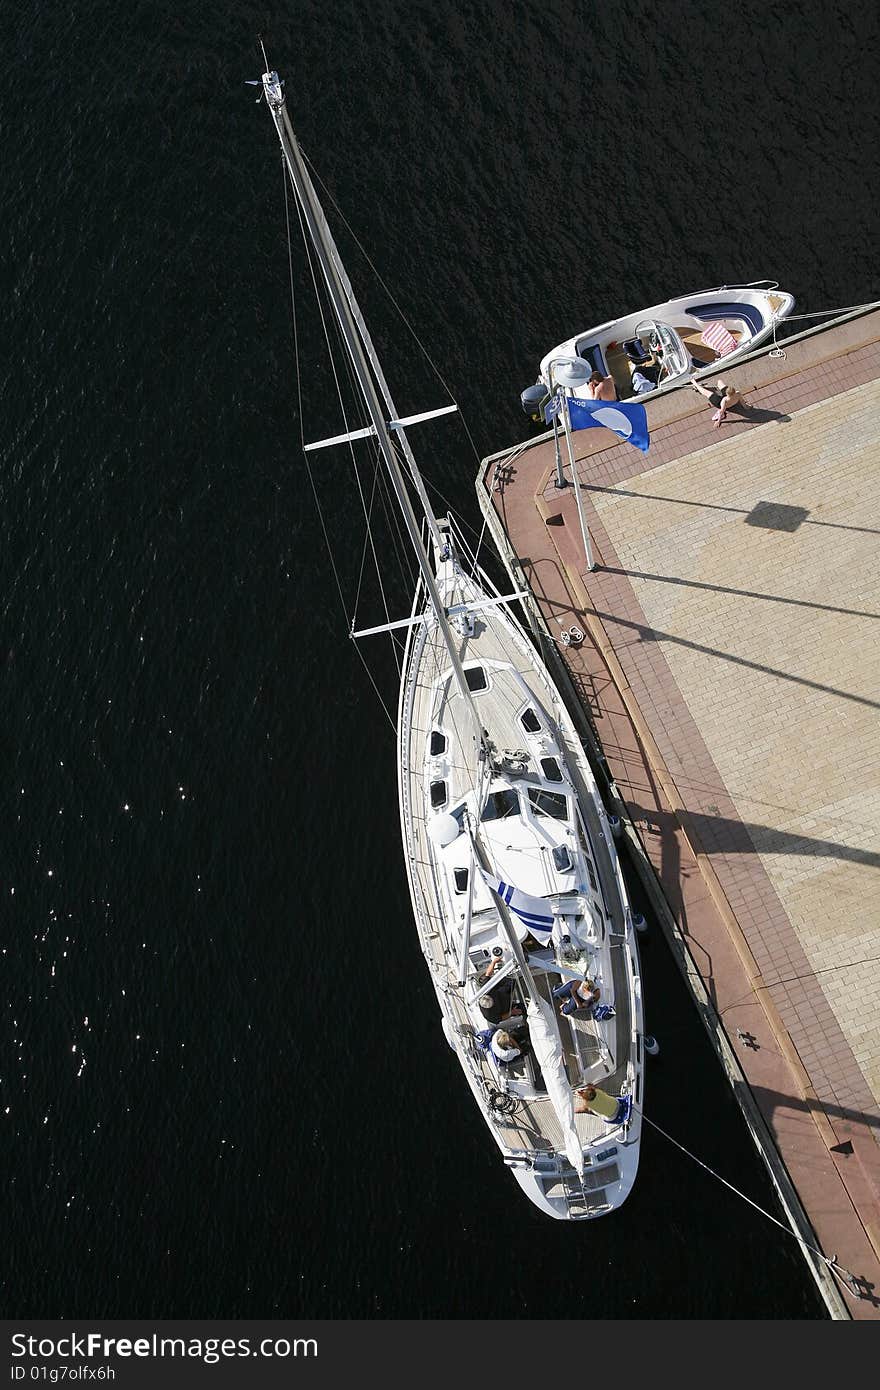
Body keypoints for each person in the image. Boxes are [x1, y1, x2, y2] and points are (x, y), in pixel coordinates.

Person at [551, 976, 615, 1020]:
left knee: (566, 1011)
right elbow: (572, 990)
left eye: (586, 991)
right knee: (555, 994)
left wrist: (586, 1002)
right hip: (573, 989)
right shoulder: (581, 981)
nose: (584, 991)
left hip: (581, 998)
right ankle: (559, 988)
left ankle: (564, 1006)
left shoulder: (596, 992)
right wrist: (578, 1003)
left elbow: (592, 1001)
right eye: (583, 989)